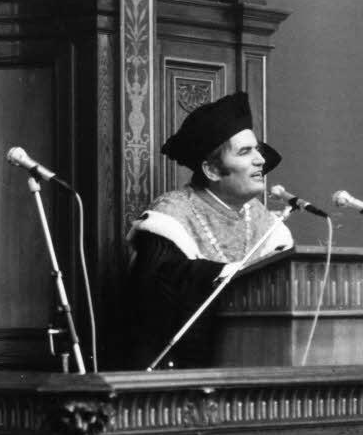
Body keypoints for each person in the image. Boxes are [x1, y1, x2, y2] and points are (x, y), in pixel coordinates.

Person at [117, 91, 293, 369]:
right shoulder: (171, 216)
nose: (260, 159)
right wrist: (225, 273)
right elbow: (156, 299)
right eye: (245, 152)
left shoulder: (267, 222)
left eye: (257, 149)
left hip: (261, 361)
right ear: (211, 170)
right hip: (186, 372)